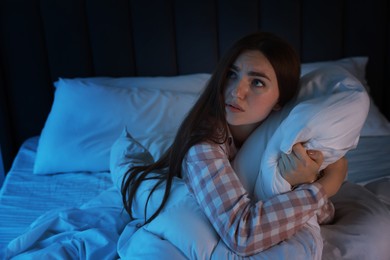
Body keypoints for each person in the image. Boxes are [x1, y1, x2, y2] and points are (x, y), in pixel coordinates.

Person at [120, 32, 347, 256]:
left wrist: (307, 180)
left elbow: (326, 217)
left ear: (281, 100)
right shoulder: (204, 144)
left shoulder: (285, 142)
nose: (236, 91)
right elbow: (242, 235)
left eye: (257, 82)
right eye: (231, 74)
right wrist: (325, 186)